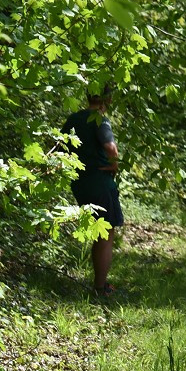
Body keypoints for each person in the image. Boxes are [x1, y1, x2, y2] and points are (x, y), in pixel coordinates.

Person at [62, 83, 122, 297]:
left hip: (80, 183)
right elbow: (110, 147)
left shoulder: (73, 119)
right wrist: (115, 164)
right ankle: (100, 287)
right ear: (109, 99)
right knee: (105, 234)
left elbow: (60, 147)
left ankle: (99, 284)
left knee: (98, 232)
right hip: (100, 182)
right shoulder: (99, 119)